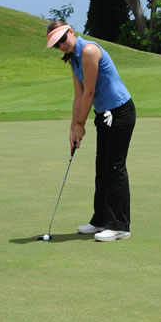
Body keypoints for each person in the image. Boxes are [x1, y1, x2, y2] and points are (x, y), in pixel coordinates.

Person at [46, 20, 136, 242]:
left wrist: (81, 124)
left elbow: (89, 92)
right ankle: (101, 220)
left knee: (114, 167)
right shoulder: (73, 59)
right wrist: (73, 128)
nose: (61, 45)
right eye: (56, 44)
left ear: (70, 31)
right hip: (104, 114)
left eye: (62, 39)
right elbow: (78, 96)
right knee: (102, 167)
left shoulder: (88, 51)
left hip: (120, 112)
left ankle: (119, 226)